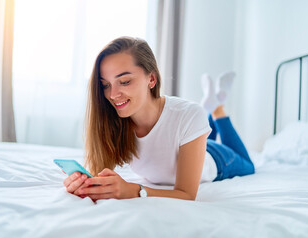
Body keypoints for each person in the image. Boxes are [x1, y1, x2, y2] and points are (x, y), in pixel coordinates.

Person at [63, 36, 254, 201]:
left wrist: (134, 190)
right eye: (105, 85)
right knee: (195, 126)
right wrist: (84, 183)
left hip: (216, 159)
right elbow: (99, 173)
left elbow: (187, 194)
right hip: (188, 139)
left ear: (151, 79)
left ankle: (217, 110)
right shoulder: (112, 121)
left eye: (125, 82)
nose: (112, 94)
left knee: (249, 165)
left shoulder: (189, 114)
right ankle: (212, 106)